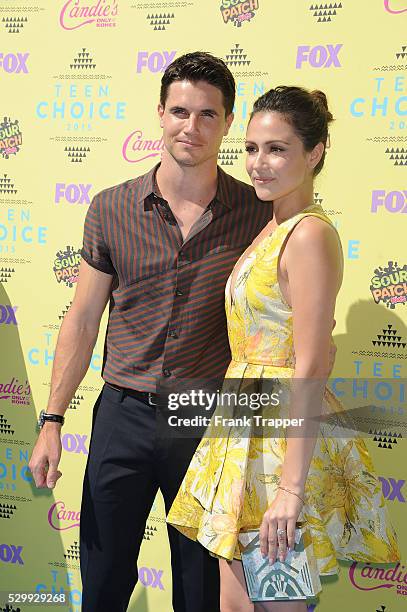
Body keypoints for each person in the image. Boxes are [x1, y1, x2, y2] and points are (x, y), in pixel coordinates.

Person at [28, 52, 277, 612]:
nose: (192, 126)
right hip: (122, 414)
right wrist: (52, 420)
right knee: (104, 579)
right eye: (180, 111)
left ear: (228, 122)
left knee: (199, 590)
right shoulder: (111, 208)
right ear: (160, 113)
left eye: (208, 114)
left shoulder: (256, 212)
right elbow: (84, 318)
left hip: (205, 417)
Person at [167, 86, 400, 611]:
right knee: (236, 605)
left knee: (279, 605)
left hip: (279, 452)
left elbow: (313, 363)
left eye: (277, 149)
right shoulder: (269, 230)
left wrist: (291, 490)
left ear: (314, 153)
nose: (259, 164)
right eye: (250, 148)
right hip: (241, 437)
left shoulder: (310, 235)